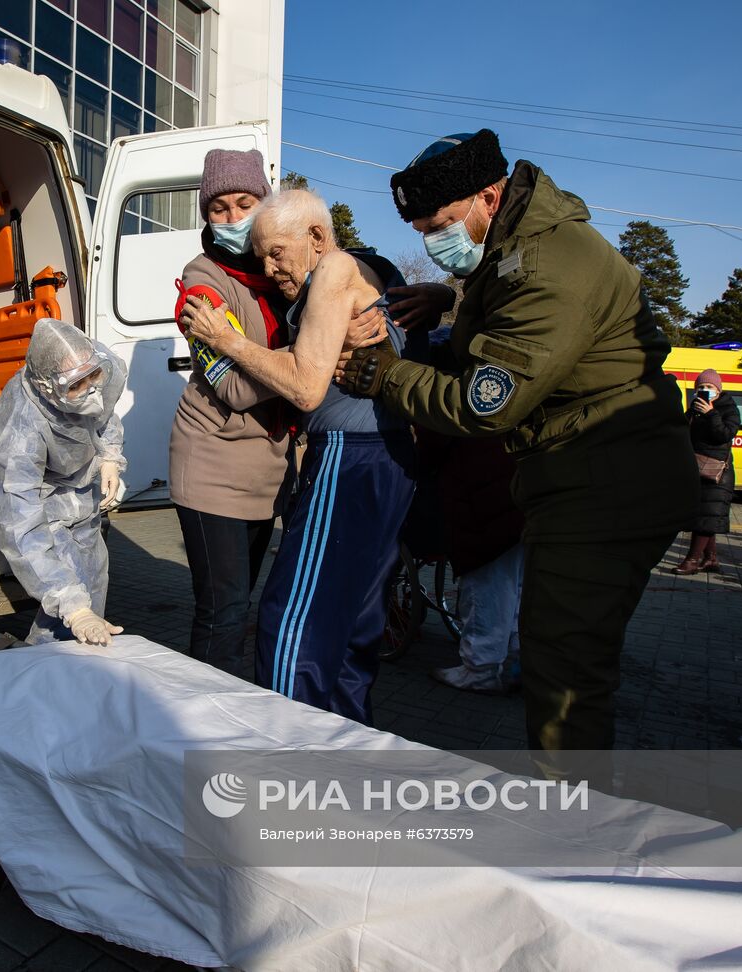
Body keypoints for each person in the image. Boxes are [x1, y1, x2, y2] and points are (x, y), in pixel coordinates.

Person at [339, 130, 697, 776]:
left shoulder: (550, 266)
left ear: (489, 194)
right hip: (581, 476)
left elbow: (484, 403)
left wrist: (380, 375)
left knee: (564, 671)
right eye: (423, 230)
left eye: (443, 224)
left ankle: (574, 829)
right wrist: (450, 304)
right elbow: (490, 330)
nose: (433, 242)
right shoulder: (506, 249)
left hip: (608, 486)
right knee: (557, 648)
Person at [181, 188, 418, 725]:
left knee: (290, 621)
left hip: (348, 458)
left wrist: (227, 339)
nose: (267, 266)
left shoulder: (333, 268)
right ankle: (346, 742)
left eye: (276, 253)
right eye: (261, 256)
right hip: (385, 459)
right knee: (356, 621)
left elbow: (307, 390)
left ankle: (287, 751)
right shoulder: (363, 270)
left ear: (316, 236)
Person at [168, 149, 293, 679]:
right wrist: (309, 358)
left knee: (241, 607)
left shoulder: (279, 274)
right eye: (218, 207)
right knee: (224, 614)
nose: (233, 217)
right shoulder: (201, 288)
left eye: (245, 202)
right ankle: (198, 734)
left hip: (265, 473)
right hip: (212, 470)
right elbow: (238, 389)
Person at [0, 319, 128, 646]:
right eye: (77, 384)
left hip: (82, 495)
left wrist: (109, 456)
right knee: (70, 602)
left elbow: (103, 414)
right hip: (44, 504)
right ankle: (23, 677)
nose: (91, 388)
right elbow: (20, 523)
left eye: (94, 376)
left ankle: (65, 673)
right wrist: (72, 607)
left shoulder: (94, 365)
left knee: (92, 581)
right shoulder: (19, 430)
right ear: (48, 387)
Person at [415, 426, 524, 695]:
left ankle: (480, 668)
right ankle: (519, 654)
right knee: (514, 581)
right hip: (512, 479)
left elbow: (436, 434)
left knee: (486, 583)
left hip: (481, 489)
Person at [673, 369, 741, 574]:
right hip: (696, 468)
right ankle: (710, 559)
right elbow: (682, 432)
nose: (704, 390)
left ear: (718, 390)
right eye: (701, 387)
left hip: (717, 472)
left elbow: (725, 434)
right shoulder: (694, 409)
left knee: (705, 518)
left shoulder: (728, 409)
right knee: (704, 516)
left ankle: (691, 561)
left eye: (709, 387)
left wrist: (711, 413)